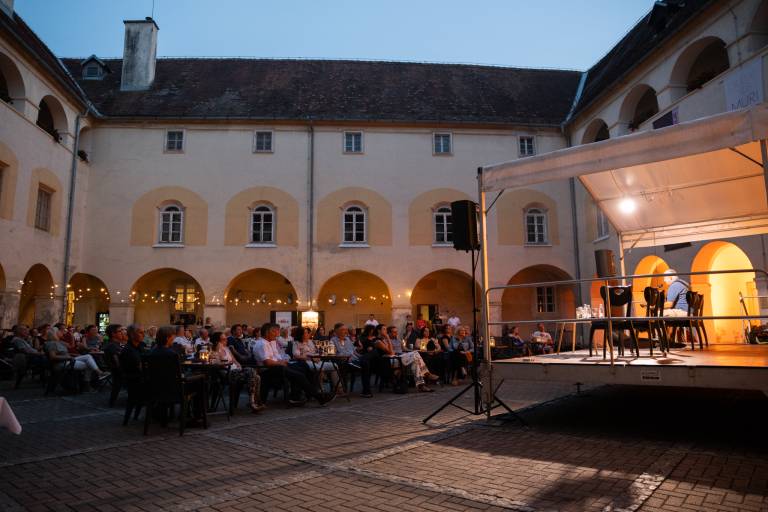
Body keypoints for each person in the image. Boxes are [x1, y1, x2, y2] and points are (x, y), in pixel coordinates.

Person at [251, 323, 330, 406]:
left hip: (278, 366)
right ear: (267, 332)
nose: (277, 334)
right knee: (299, 375)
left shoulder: (271, 342)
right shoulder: (262, 344)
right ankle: (318, 397)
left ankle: (298, 396)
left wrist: (283, 361)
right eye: (274, 332)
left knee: (303, 365)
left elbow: (276, 356)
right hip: (269, 370)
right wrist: (281, 362)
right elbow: (267, 362)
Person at [210, 331, 264, 412]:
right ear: (217, 341)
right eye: (223, 339)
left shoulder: (227, 349)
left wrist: (239, 366)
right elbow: (217, 363)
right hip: (228, 373)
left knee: (255, 375)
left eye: (226, 339)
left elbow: (235, 361)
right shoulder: (214, 351)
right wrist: (219, 349)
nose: (226, 341)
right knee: (254, 376)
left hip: (237, 371)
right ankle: (254, 402)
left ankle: (253, 402)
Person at [44, 327, 109, 389]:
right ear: (54, 334)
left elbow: (70, 347)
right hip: (62, 363)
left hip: (68, 360)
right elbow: (52, 357)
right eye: (59, 331)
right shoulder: (51, 344)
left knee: (88, 357)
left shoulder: (59, 342)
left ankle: (95, 377)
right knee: (89, 364)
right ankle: (88, 383)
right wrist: (68, 357)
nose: (61, 332)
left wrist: (74, 354)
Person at [380, 325, 439, 391]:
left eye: (397, 332)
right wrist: (388, 339)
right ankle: (427, 374)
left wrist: (412, 350)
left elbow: (404, 348)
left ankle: (421, 386)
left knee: (416, 363)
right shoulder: (385, 340)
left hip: (402, 357)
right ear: (389, 333)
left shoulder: (398, 339)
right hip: (395, 359)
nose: (396, 333)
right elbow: (390, 352)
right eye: (394, 332)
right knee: (415, 355)